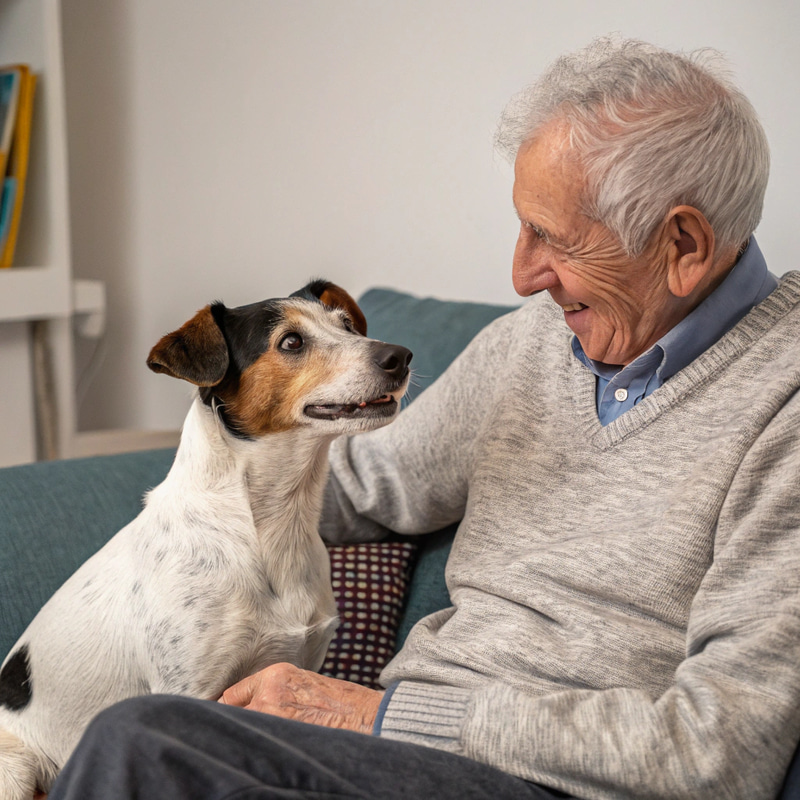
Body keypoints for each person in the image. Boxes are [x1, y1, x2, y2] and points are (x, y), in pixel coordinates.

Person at [49, 35, 800, 800]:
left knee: (144, 743)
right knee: (141, 737)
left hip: (537, 781)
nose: (522, 276)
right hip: (389, 755)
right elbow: (354, 486)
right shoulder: (532, 344)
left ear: (683, 244)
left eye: (552, 237)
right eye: (523, 227)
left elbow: (720, 752)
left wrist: (378, 715)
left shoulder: (785, 407)